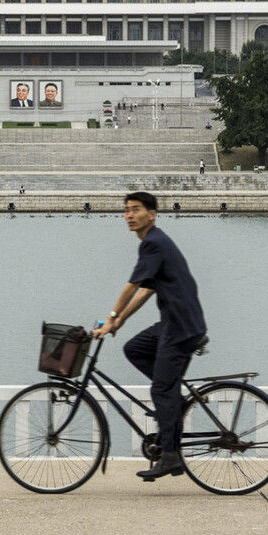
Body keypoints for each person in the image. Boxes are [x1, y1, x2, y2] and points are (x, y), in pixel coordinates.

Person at [92, 191, 207, 481]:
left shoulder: (154, 243)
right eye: (127, 211)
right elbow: (146, 289)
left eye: (136, 210)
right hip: (176, 323)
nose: (129, 216)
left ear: (152, 214)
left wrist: (110, 320)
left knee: (160, 390)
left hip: (180, 328)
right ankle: (171, 400)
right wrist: (120, 323)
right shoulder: (155, 243)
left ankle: (170, 456)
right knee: (135, 348)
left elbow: (132, 286)